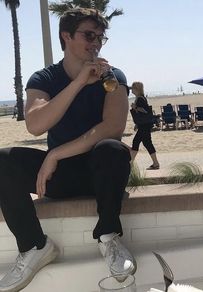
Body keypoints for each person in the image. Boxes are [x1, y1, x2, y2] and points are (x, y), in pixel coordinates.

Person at [0, 8, 136, 291]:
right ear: (66, 36)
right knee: (3, 160)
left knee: (113, 149)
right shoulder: (44, 79)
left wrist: (55, 153)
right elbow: (35, 125)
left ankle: (109, 236)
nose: (96, 42)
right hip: (58, 179)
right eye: (89, 35)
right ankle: (34, 246)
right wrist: (77, 83)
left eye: (100, 37)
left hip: (101, 174)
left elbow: (112, 127)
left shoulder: (112, 77)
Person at [130, 81, 160, 170]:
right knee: (146, 143)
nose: (132, 90)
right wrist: (137, 124)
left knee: (137, 142)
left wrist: (135, 107)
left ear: (137, 89)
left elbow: (144, 111)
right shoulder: (141, 98)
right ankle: (155, 163)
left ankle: (130, 163)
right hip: (144, 125)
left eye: (133, 88)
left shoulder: (140, 99)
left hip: (144, 125)